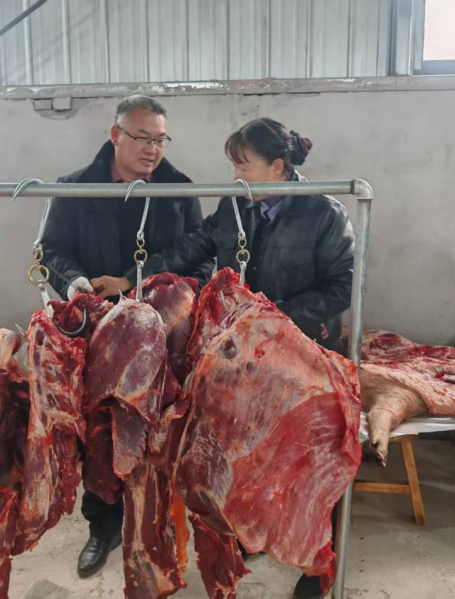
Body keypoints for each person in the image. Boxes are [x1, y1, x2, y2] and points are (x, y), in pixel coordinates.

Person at [130, 117, 354, 598]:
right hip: (248, 358)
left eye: (243, 165)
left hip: (306, 356)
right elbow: (193, 246)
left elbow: (342, 287)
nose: (235, 176)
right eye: (232, 165)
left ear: (277, 168)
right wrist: (134, 277)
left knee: (311, 463)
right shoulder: (235, 205)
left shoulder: (324, 213)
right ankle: (252, 533)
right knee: (249, 452)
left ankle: (318, 565)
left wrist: (272, 317)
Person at [41, 95, 212, 579]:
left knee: (159, 432)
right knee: (99, 433)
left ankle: (157, 527)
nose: (152, 148)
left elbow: (202, 258)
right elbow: (51, 249)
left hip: (163, 337)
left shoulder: (180, 190)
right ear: (115, 135)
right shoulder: (75, 188)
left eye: (160, 139)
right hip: (97, 332)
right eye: (142, 137)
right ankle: (102, 528)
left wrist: (148, 291)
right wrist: (75, 284)